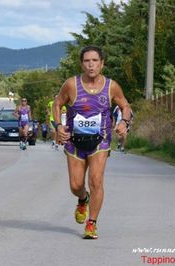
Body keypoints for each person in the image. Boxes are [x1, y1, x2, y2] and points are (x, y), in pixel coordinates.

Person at [53, 46, 132, 239]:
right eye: (87, 61)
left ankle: (92, 223)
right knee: (75, 185)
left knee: (96, 180)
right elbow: (57, 104)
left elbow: (125, 105)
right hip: (74, 142)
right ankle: (83, 199)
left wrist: (124, 121)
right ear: (82, 64)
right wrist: (58, 126)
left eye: (95, 61)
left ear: (102, 63)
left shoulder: (111, 86)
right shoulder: (71, 84)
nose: (91, 65)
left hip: (100, 141)